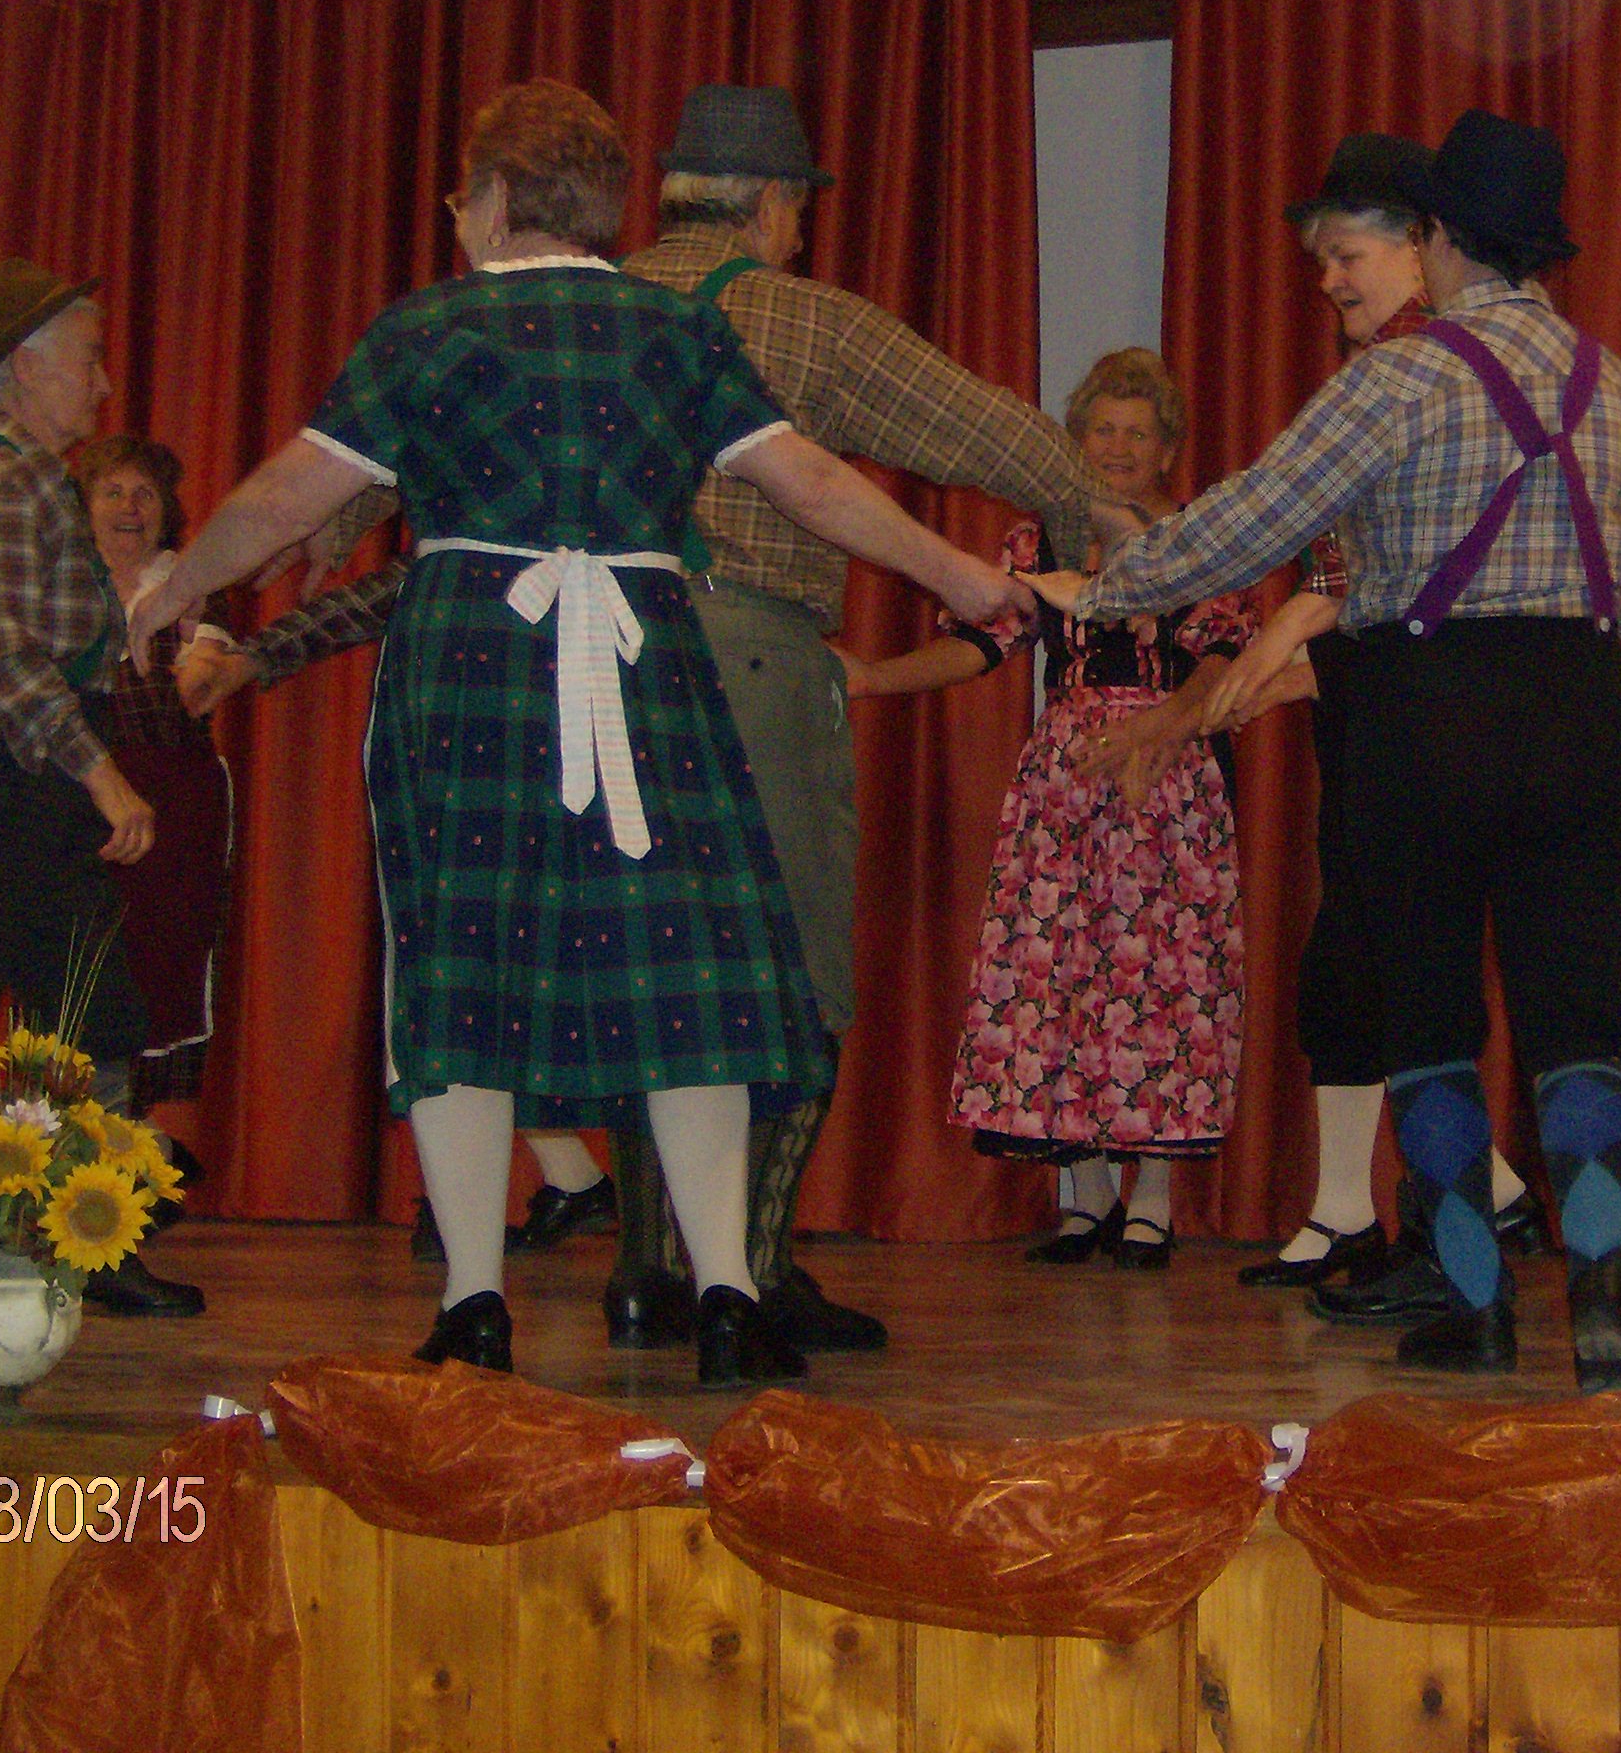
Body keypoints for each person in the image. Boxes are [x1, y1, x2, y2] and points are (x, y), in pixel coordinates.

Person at [130, 79, 1030, 1385]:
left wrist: (179, 588)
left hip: (472, 667)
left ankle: (474, 1303)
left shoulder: (426, 328)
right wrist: (955, 573)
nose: (458, 216)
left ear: (496, 200)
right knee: (687, 968)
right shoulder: (675, 329)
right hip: (646, 664)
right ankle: (726, 1296)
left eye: (462, 197)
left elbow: (283, 497)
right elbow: (811, 482)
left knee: (459, 963)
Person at [1026, 110, 1621, 1391]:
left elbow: (1253, 518)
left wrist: (1105, 586)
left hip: (1432, 705)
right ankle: (1604, 1297)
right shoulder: (1613, 379)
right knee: (1576, 1015)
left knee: (1428, 1014)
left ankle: (1477, 1307)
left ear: (1438, 239)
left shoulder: (1401, 376)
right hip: (1586, 702)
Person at [597, 83, 1124, 1355]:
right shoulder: (795, 316)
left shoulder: (589, 304)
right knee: (788, 971)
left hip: (596, 667)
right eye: (796, 211)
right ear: (772, 206)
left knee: (646, 966)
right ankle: (754, 1270)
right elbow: (972, 424)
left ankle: (645, 1269)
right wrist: (1083, 515)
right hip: (745, 659)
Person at [1202, 133, 1541, 1299]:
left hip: (1419, 684)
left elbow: (1374, 566)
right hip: (1373, 681)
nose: (1328, 279)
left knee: (1392, 951)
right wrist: (1284, 649)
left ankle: (1461, 1204)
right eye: (1321, 260)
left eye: (1347, 254)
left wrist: (1273, 639)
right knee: (1357, 953)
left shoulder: (1422, 369)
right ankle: (1385, 1202)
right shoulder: (1396, 364)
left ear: (1419, 244)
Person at [843, 348, 1253, 1268]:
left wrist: (1163, 728)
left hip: (1165, 779)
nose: (1118, 448)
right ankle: (1089, 1197)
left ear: (1168, 449)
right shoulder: (1043, 542)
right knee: (1059, 974)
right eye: (1102, 430)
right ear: (1076, 442)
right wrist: (872, 676)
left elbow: (1225, 654)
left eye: (1137, 434)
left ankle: (1154, 1201)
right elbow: (983, 642)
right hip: (1061, 784)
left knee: (1163, 980)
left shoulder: (1200, 538)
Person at [0, 258, 207, 1318]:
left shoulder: (27, 478)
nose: (103, 383)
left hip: (7, 764)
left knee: (85, 1002)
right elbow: (1, 661)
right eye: (88, 359)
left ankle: (89, 1236)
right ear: (24, 367)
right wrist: (105, 778)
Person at [174, 553, 626, 1256]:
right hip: (479, 764)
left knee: (471, 981)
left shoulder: (504, 546)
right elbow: (378, 592)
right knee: (475, 982)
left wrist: (256, 653)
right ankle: (551, 1181)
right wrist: (259, 652)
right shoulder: (467, 549)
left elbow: (382, 587)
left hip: (512, 769)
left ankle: (502, 1202)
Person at [78, 435, 236, 1121]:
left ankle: (135, 1136)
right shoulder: (62, 584)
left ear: (167, 510)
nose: (129, 507)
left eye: (144, 494)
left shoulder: (192, 588)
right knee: (79, 960)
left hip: (174, 806)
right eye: (112, 491)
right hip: (78, 798)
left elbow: (194, 691)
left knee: (158, 963)